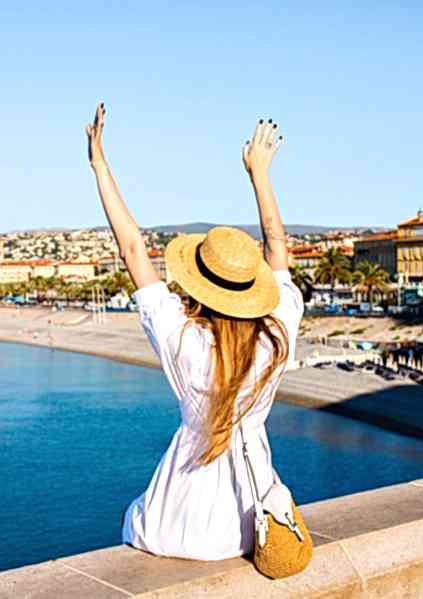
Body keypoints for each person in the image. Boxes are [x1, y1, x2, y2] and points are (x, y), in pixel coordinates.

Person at [85, 103, 304, 560]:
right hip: (249, 525)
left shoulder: (185, 340)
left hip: (176, 527)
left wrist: (99, 164)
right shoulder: (277, 335)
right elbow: (277, 245)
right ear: (252, 286)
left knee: (134, 518)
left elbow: (131, 248)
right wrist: (260, 175)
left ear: (199, 285)